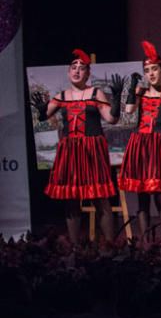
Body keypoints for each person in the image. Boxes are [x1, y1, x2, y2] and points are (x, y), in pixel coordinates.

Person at [33, 49, 123, 245]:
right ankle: (75, 248)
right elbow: (43, 116)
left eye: (82, 68)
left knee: (100, 199)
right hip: (71, 151)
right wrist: (40, 111)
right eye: (73, 67)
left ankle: (108, 246)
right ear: (68, 72)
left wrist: (116, 100)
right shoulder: (62, 95)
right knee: (72, 200)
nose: (77, 71)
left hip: (92, 150)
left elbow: (111, 119)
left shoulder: (95, 92)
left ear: (88, 73)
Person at [118, 40, 161, 244]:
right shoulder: (141, 93)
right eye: (147, 70)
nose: (151, 74)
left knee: (160, 198)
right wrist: (134, 87)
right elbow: (128, 111)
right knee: (142, 198)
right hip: (140, 144)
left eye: (154, 69)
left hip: (158, 145)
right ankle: (145, 243)